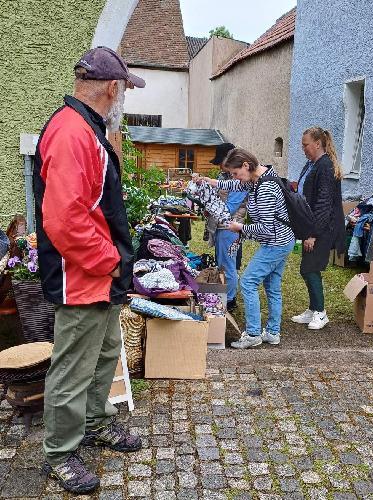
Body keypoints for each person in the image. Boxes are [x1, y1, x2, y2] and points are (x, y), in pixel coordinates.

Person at [33, 46, 146, 494]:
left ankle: (97, 422)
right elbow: (63, 220)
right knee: (72, 368)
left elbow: (92, 208)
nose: (124, 98)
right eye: (125, 90)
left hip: (100, 275)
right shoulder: (72, 133)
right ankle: (60, 453)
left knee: (103, 355)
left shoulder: (88, 128)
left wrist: (113, 264)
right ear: (113, 87)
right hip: (81, 276)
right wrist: (112, 259)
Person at [199, 148, 295, 348]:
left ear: (246, 165)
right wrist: (211, 182)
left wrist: (239, 228)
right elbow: (234, 184)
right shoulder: (259, 177)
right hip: (282, 240)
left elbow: (267, 229)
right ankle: (273, 332)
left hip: (275, 243)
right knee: (272, 287)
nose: (235, 178)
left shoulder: (265, 187)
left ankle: (252, 334)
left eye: (236, 172)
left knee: (249, 282)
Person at [291, 127, 345, 329]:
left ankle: (321, 312)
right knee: (307, 268)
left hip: (323, 228)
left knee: (310, 268)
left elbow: (323, 204)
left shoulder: (325, 167)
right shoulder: (311, 164)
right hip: (312, 227)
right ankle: (313, 309)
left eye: (305, 144)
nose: (303, 148)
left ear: (317, 144)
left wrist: (312, 234)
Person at [209, 143, 248, 311]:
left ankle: (230, 299)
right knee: (222, 264)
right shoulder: (224, 176)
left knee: (229, 265)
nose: (219, 165)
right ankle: (224, 294)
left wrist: (209, 204)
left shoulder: (239, 180)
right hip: (221, 226)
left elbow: (229, 208)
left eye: (221, 161)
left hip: (230, 228)